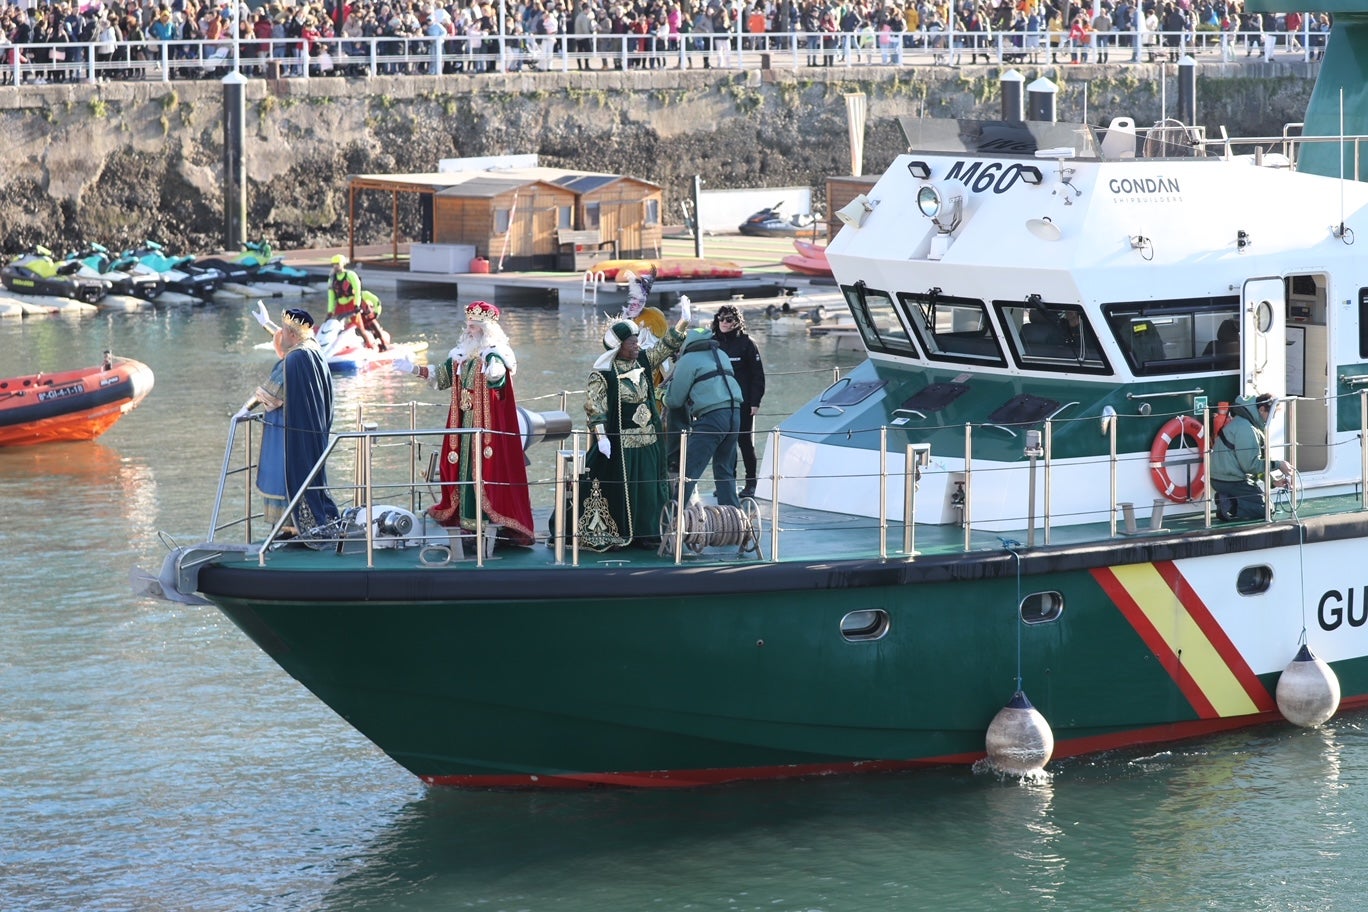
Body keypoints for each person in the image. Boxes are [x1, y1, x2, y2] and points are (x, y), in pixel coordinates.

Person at [393, 301, 535, 546]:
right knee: (462, 471)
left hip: (487, 428)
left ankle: (490, 526)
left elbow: (498, 379)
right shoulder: (461, 354)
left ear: (486, 329)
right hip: (463, 424)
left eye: (474, 327)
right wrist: (413, 369)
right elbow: (442, 376)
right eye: (468, 326)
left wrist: (495, 371)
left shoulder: (494, 353)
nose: (469, 331)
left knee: (486, 472)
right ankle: (467, 525)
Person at [579, 302, 691, 550]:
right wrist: (601, 437)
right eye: (632, 342)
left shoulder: (642, 360)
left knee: (650, 489)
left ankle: (650, 532)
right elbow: (594, 406)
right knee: (624, 490)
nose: (637, 345)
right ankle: (626, 532)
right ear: (619, 346)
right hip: (622, 444)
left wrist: (683, 322)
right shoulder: (603, 372)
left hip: (649, 441)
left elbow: (664, 349)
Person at [234, 307, 340, 536]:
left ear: (292, 333)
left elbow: (269, 392)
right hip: (313, 429)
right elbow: (288, 339)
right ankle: (298, 524)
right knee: (307, 476)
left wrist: (242, 411)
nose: (280, 333)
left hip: (290, 432)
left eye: (283, 329)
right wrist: (268, 324)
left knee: (286, 476)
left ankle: (293, 527)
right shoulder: (312, 348)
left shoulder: (293, 360)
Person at [665, 327, 744, 508]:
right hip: (735, 415)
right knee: (724, 471)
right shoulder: (722, 354)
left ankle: (674, 518)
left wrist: (662, 394)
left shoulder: (687, 360)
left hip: (712, 418)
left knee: (690, 470)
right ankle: (734, 521)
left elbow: (675, 400)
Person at [709, 304, 765, 498]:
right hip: (720, 402)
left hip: (743, 402)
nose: (724, 323)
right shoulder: (712, 342)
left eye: (729, 319)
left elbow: (758, 375)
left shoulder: (747, 343)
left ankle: (751, 483)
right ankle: (727, 483)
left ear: (736, 322)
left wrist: (755, 402)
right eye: (721, 319)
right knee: (725, 442)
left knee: (744, 441)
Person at [1210, 393, 1289, 520]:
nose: (1272, 418)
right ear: (1262, 409)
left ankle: (1228, 500)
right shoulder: (1247, 429)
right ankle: (1229, 505)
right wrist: (1278, 465)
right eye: (1271, 413)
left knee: (1263, 504)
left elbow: (1251, 464)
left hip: (1223, 478)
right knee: (1266, 510)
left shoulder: (1244, 423)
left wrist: (1273, 481)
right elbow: (1250, 466)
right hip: (1230, 480)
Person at [326, 254, 388, 350]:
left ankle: (374, 346)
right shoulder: (332, 279)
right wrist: (330, 311)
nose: (335, 266)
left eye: (337, 264)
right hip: (340, 306)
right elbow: (331, 296)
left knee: (359, 326)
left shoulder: (351, 275)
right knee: (336, 326)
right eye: (333, 264)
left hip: (352, 304)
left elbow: (358, 291)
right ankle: (333, 348)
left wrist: (357, 305)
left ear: (342, 264)